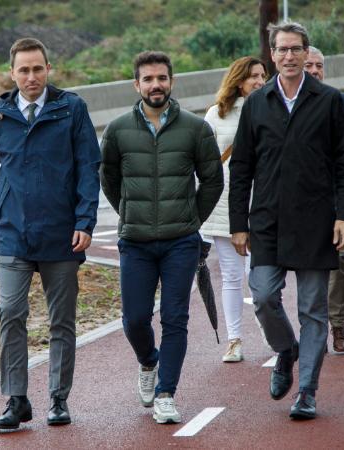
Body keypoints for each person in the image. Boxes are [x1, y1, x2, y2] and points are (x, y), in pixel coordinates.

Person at [229, 22, 344, 420]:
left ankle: (307, 391)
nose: (288, 56)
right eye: (281, 50)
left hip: (317, 222)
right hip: (266, 220)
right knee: (264, 296)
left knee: (313, 311)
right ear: (272, 55)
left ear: (306, 54)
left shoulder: (330, 100)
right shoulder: (256, 102)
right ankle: (286, 349)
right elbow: (242, 168)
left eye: (295, 49)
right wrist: (238, 224)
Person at [0, 38, 101, 429]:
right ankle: (16, 399)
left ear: (48, 69)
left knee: (61, 320)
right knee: (11, 313)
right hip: (12, 233)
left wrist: (85, 220)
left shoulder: (71, 109)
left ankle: (58, 398)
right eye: (24, 70)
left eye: (38, 69)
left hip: (61, 235)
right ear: (12, 73)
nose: (31, 76)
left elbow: (87, 168)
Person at [100, 51, 223, 424]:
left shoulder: (195, 128)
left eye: (162, 78)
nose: (156, 85)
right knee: (135, 319)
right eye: (148, 79)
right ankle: (148, 361)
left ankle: (166, 393)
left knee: (175, 318)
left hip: (180, 242)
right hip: (135, 241)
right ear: (136, 85)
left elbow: (213, 180)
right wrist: (130, 214)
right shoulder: (118, 130)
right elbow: (109, 180)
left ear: (172, 81)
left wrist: (190, 219)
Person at [200, 56, 267, 363]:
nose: (259, 81)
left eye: (263, 75)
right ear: (239, 79)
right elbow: (204, 162)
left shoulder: (271, 108)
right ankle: (234, 340)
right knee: (230, 275)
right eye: (253, 76)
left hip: (263, 203)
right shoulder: (216, 114)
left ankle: (270, 331)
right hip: (225, 203)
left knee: (261, 275)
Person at [305, 45, 344, 354]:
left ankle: (337, 325)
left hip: (333, 196)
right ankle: (312, 328)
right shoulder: (282, 104)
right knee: (305, 266)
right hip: (299, 199)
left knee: (337, 261)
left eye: (319, 66)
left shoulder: (339, 101)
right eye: (309, 65)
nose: (314, 71)